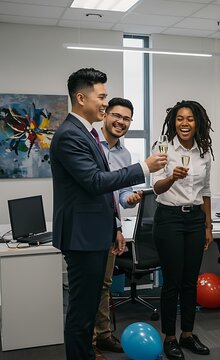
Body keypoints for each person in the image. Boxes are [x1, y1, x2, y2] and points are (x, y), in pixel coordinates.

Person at [50, 68, 167, 360]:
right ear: (81, 98)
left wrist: (114, 226)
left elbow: (104, 192)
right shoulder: (70, 135)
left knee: (88, 306)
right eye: (101, 97)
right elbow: (94, 182)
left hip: (94, 234)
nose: (104, 103)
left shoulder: (86, 134)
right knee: (81, 310)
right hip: (81, 237)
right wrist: (143, 168)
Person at [152, 100, 214, 360]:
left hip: (195, 221)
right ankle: (169, 337)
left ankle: (187, 334)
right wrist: (171, 177)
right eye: (180, 119)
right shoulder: (163, 147)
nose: (185, 123)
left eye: (189, 119)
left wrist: (208, 225)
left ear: (197, 122)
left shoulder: (204, 151)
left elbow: (206, 191)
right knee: (173, 282)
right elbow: (156, 187)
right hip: (169, 219)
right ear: (173, 122)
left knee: (191, 281)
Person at [92, 97, 143, 359]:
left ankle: (102, 335)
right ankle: (87, 342)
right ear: (105, 115)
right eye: (117, 115)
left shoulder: (124, 154)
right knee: (91, 286)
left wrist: (130, 198)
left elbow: (120, 194)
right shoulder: (91, 146)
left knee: (104, 284)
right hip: (89, 228)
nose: (121, 122)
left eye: (126, 118)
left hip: (111, 227)